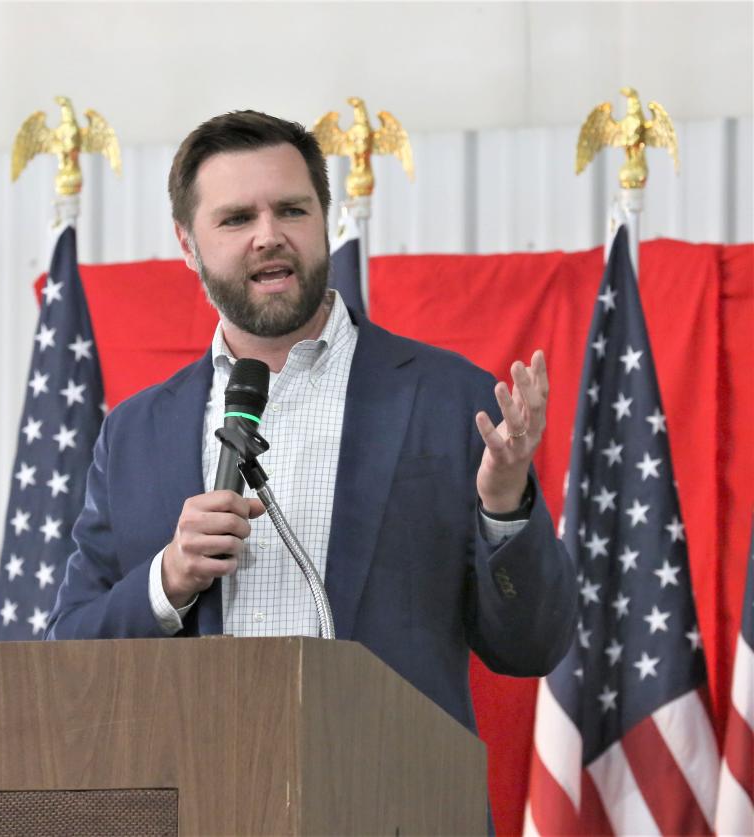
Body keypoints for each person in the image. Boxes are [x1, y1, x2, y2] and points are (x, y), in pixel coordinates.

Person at [46, 111, 577, 738]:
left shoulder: (447, 399)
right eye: (237, 218)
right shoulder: (135, 434)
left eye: (292, 211)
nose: (269, 235)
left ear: (325, 222)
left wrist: (503, 506)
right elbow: (64, 660)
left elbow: (532, 647)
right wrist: (169, 578)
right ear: (187, 244)